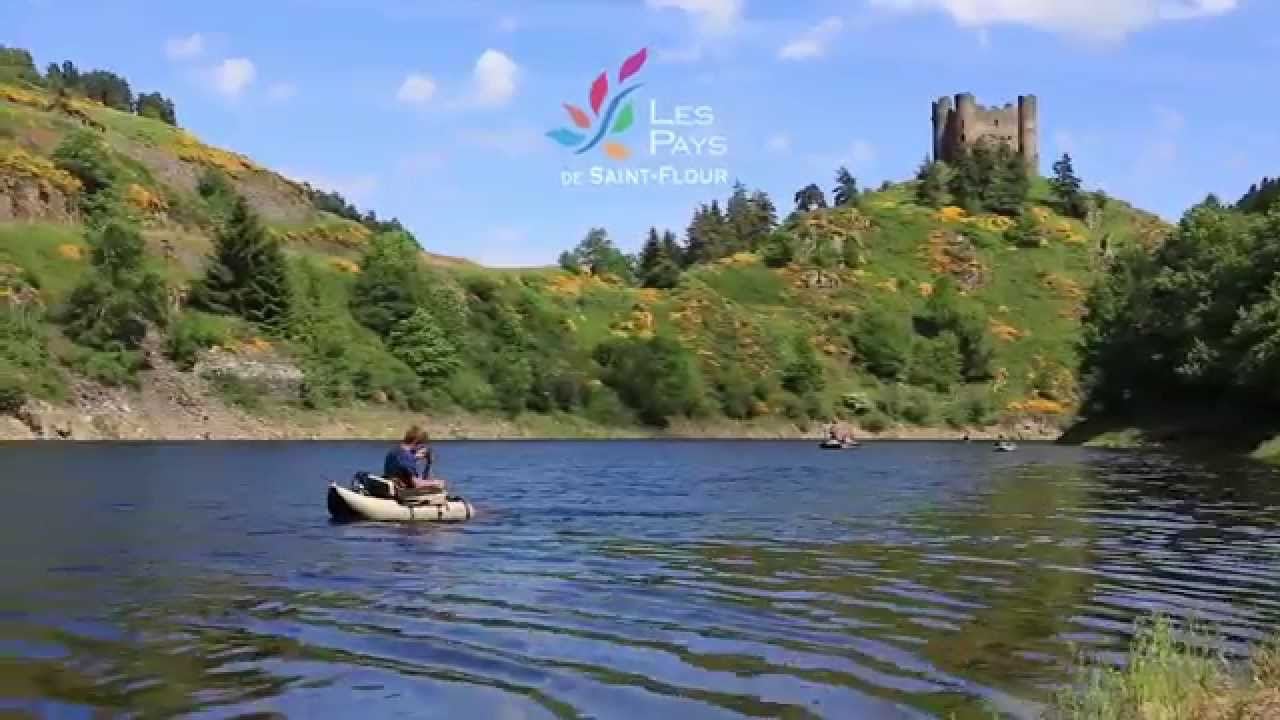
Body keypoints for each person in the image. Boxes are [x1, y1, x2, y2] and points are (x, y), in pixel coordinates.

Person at [384, 425, 440, 493]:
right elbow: (416, 484)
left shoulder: (394, 451)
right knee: (439, 485)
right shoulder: (407, 457)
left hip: (393, 485)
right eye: (422, 445)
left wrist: (427, 463)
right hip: (402, 492)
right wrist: (436, 483)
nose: (423, 448)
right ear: (416, 442)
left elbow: (402, 466)